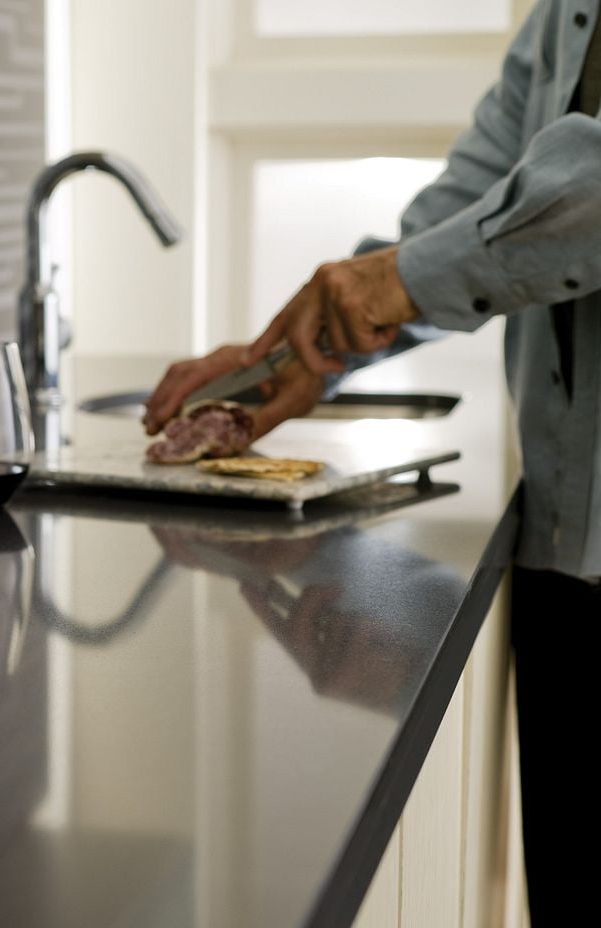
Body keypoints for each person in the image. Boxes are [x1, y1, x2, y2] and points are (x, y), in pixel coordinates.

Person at [142, 3, 601, 922]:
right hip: (566, 562)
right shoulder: (566, 14)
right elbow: (476, 202)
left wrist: (396, 282)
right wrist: (299, 355)